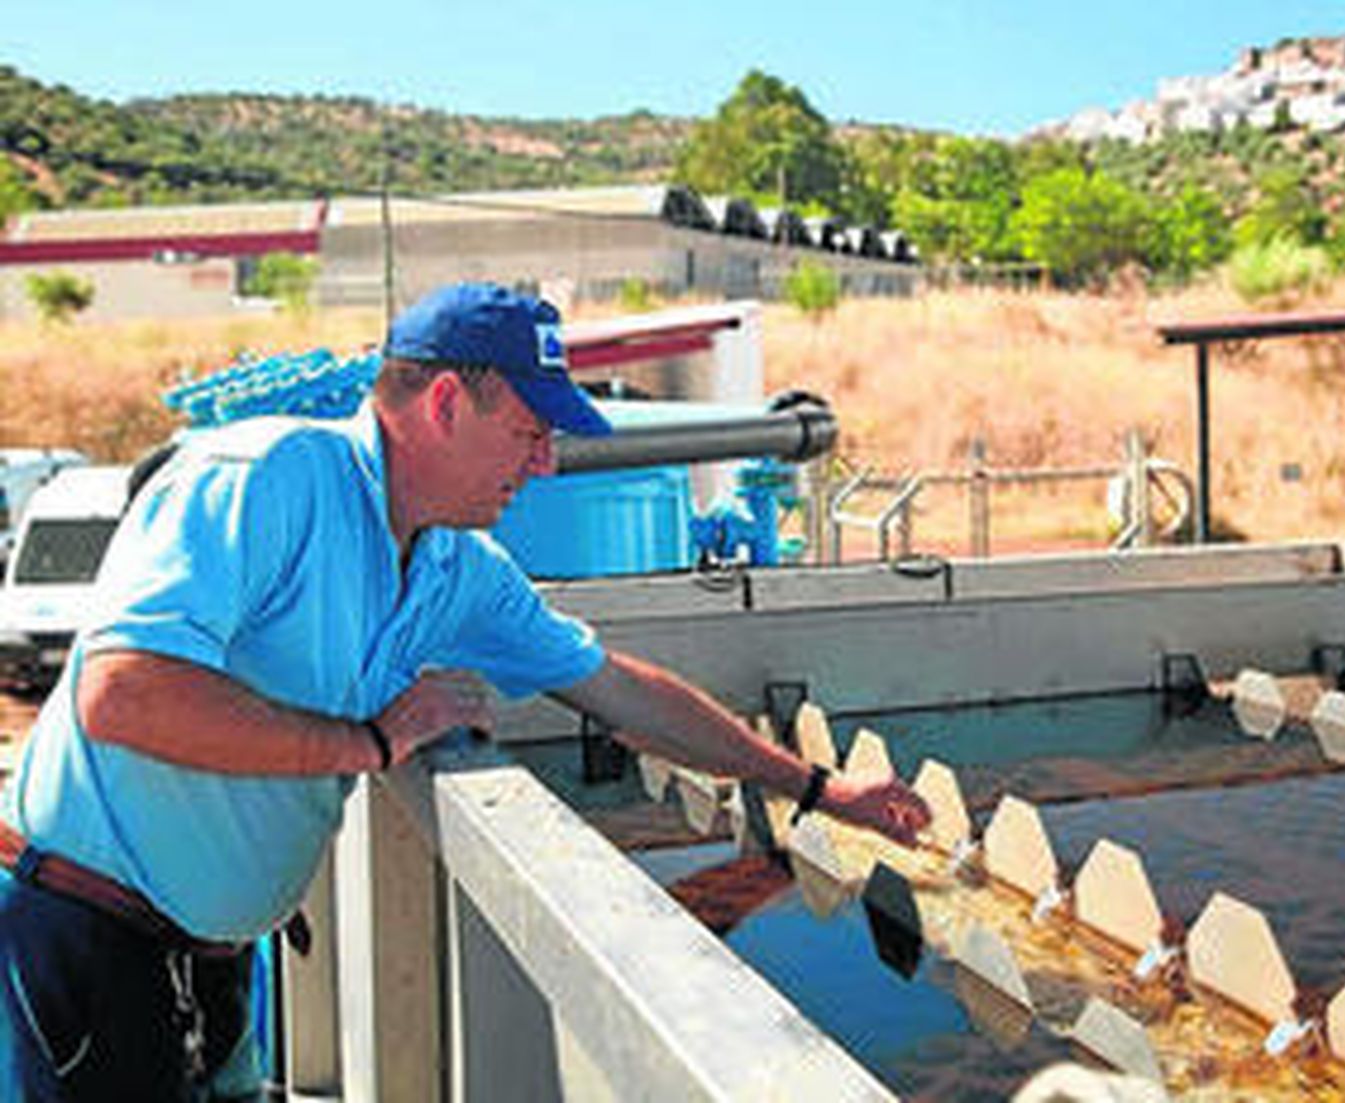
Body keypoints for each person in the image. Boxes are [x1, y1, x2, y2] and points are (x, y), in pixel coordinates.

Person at [0, 282, 931, 1101]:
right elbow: (121, 695)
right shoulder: (266, 479)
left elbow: (616, 690)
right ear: (446, 402)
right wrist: (366, 742)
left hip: (210, 962)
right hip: (90, 940)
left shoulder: (456, 563)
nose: (544, 465)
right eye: (530, 433)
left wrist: (812, 786)